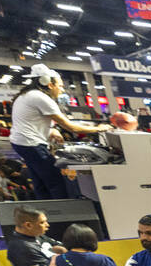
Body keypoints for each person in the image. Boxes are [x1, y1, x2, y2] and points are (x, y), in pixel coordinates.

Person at [9, 64, 108, 199]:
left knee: (40, 183)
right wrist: (99, 129)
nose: (62, 90)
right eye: (60, 86)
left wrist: (51, 130)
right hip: (31, 144)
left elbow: (30, 120)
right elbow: (71, 127)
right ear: (49, 84)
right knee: (56, 182)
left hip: (22, 143)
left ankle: (47, 211)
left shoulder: (27, 95)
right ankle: (64, 214)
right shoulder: (41, 98)